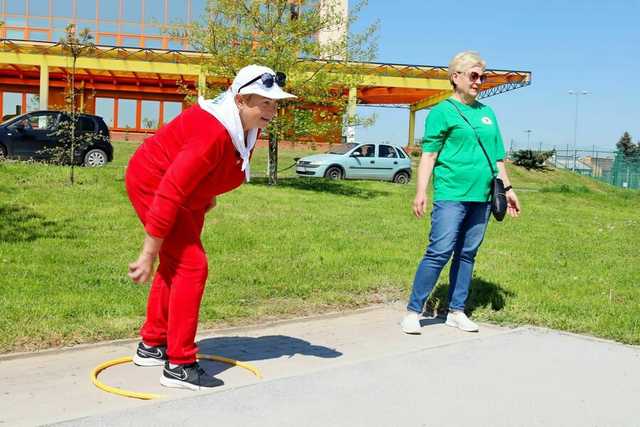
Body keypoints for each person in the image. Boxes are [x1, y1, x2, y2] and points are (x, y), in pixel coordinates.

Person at [125, 64, 295, 390]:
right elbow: (170, 188)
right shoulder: (212, 130)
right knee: (191, 266)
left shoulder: (243, 123)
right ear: (242, 99)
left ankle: (152, 344)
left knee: (178, 265)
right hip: (155, 184)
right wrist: (149, 251)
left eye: (276, 104)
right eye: (266, 103)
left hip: (189, 194)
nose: (273, 110)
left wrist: (210, 194)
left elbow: (221, 165)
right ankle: (179, 365)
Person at [401, 51, 521, 335]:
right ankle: (413, 311)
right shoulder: (442, 112)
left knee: (467, 254)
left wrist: (509, 189)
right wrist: (421, 192)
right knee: (439, 251)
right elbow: (429, 155)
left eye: (483, 76)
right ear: (456, 77)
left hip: (482, 197)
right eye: (473, 75)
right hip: (451, 194)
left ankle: (456, 310)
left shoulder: (487, 113)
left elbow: (498, 159)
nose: (479, 81)